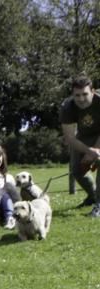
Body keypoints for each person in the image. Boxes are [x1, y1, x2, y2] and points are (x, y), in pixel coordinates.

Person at [60, 75, 100, 217]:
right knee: (77, 170)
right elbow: (70, 137)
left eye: (85, 94)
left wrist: (95, 151)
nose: (81, 99)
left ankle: (99, 205)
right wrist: (88, 150)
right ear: (72, 94)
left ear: (93, 91)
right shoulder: (68, 107)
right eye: (77, 95)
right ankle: (93, 195)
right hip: (83, 137)